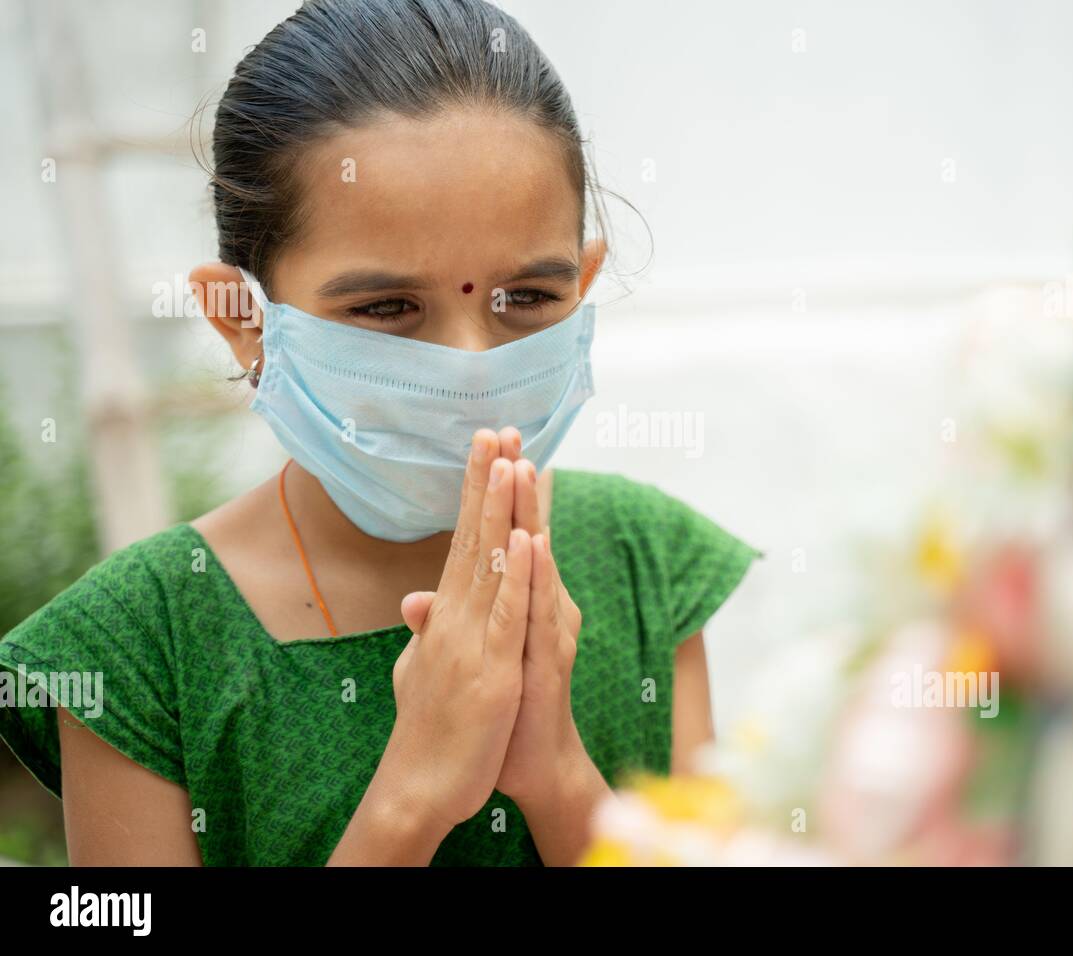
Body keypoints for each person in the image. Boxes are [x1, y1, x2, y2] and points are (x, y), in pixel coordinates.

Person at [0, 0, 760, 866]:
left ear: (581, 287)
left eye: (526, 299)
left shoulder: (645, 562)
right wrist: (410, 801)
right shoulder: (135, 648)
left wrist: (556, 776)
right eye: (387, 308)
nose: (471, 365)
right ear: (241, 317)